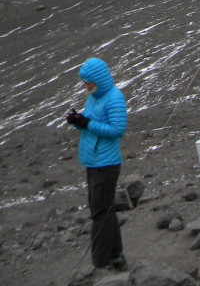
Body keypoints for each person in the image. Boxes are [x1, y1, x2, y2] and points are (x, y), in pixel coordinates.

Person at [67, 57, 128, 272]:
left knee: (100, 214)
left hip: (106, 163)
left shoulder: (114, 99)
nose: (86, 86)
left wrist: (88, 123)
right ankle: (117, 257)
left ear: (98, 79)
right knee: (105, 211)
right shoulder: (94, 98)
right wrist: (78, 122)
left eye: (88, 82)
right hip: (93, 161)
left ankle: (101, 263)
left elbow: (117, 130)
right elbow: (92, 124)